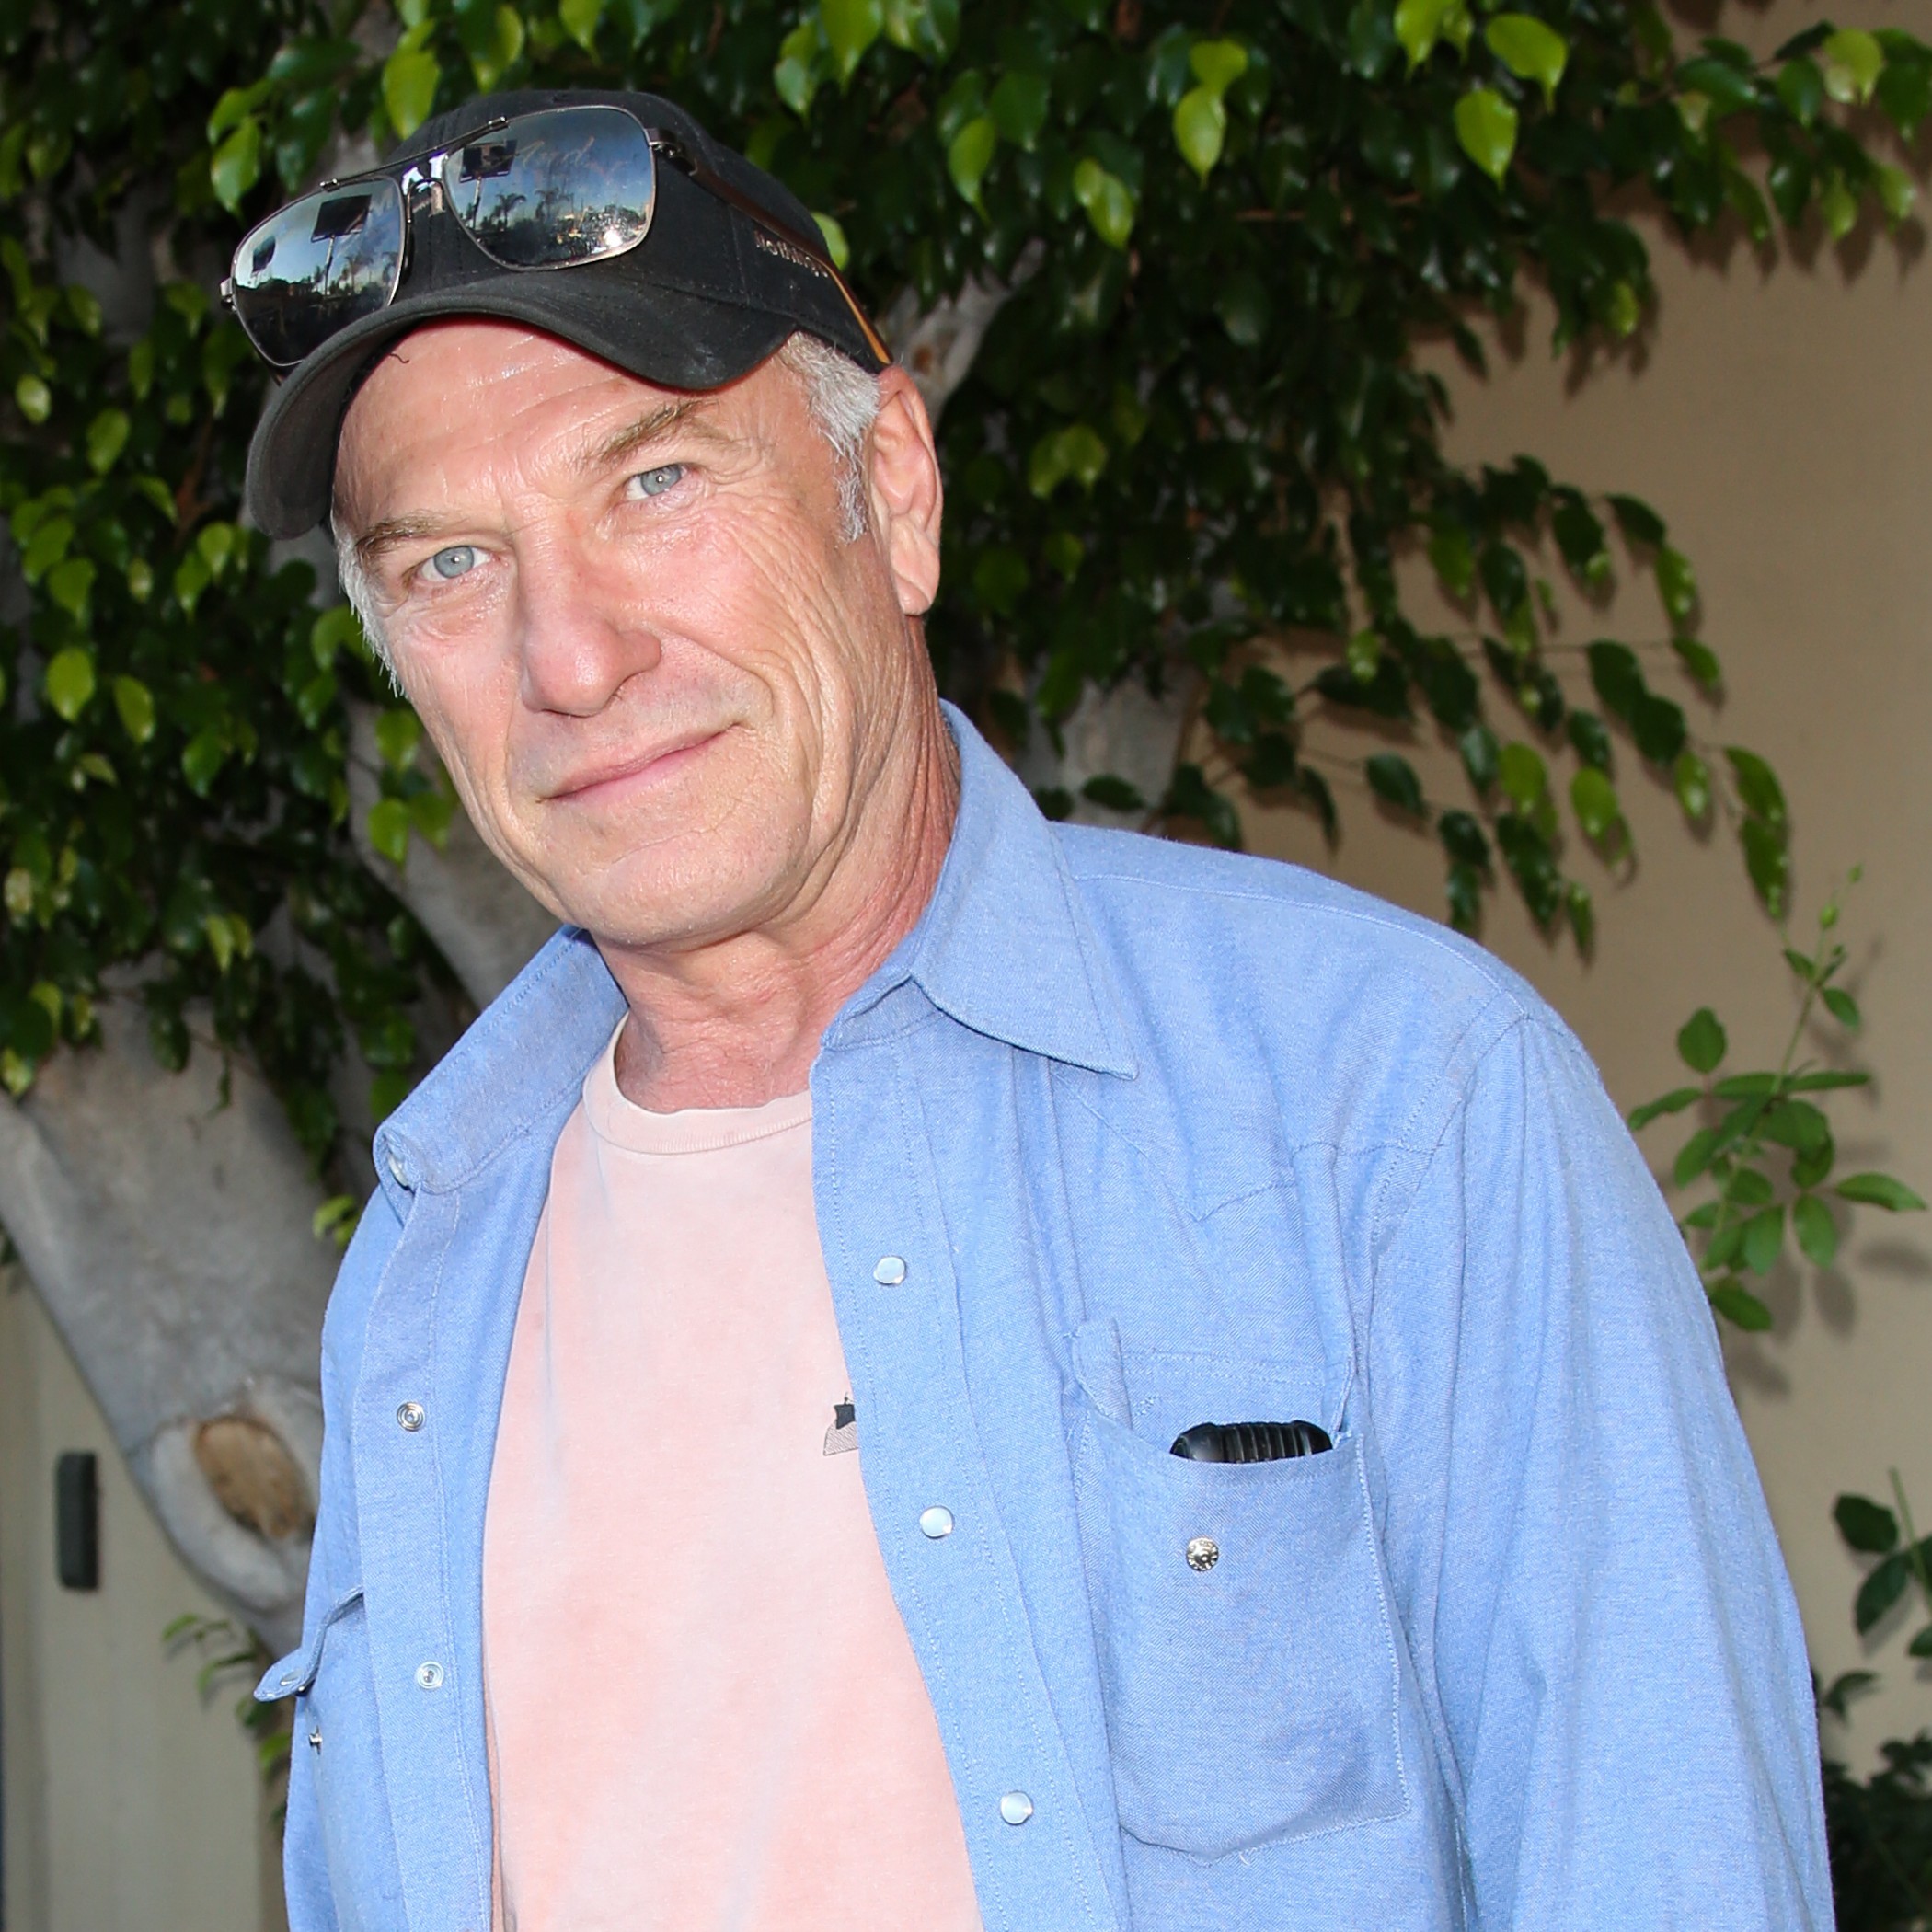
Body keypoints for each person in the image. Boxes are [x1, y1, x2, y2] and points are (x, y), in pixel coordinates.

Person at [239, 86, 1831, 1932]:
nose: (572, 658)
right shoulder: (427, 1256)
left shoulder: (1394, 1105)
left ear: (896, 496)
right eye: (449, 565)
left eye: (655, 484)